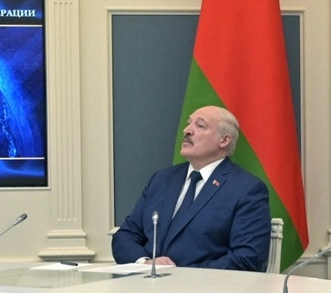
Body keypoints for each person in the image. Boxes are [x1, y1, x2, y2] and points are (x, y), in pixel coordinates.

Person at [112, 105, 271, 271]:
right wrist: (145, 263)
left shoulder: (246, 189)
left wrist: (182, 276)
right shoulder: (162, 180)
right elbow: (126, 236)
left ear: (224, 140)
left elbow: (246, 258)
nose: (187, 130)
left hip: (207, 292)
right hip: (146, 288)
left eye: (200, 126)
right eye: (188, 123)